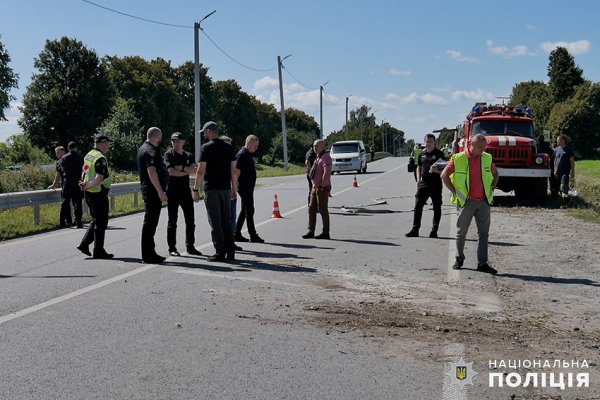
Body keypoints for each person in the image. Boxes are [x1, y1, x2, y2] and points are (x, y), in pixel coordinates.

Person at [441, 134, 499, 275]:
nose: (482, 149)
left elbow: (495, 173)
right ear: (471, 144)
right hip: (466, 202)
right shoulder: (458, 158)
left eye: (484, 147)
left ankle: (482, 263)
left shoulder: (487, 157)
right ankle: (459, 259)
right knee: (461, 233)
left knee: (484, 234)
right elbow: (444, 175)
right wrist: (456, 193)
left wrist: (491, 189)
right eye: (480, 147)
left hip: (483, 202)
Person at [192, 121, 238, 262]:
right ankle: (231, 251)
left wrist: (195, 189)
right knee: (226, 221)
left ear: (209, 131)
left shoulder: (206, 148)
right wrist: (234, 188)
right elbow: (234, 171)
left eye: (204, 132)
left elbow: (200, 171)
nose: (204, 135)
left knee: (215, 222)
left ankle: (220, 252)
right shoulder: (228, 148)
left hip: (212, 189)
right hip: (225, 189)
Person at [164, 132, 202, 257]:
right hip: (173, 192)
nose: (175, 143)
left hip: (185, 191)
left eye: (178, 141)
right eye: (173, 141)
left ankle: (190, 246)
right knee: (172, 221)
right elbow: (171, 172)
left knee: (190, 221)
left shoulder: (188, 155)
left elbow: (195, 170)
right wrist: (186, 169)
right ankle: (172, 248)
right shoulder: (168, 154)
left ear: (183, 142)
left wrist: (181, 168)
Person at [76, 134, 114, 259]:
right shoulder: (100, 158)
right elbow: (99, 178)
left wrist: (84, 184)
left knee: (97, 220)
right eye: (107, 143)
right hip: (98, 193)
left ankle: (85, 244)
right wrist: (88, 185)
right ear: (102, 144)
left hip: (89, 192)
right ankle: (98, 250)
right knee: (102, 222)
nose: (108, 146)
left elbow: (85, 171)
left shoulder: (89, 155)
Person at [138, 127, 169, 264]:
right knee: (150, 223)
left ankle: (151, 252)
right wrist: (160, 191)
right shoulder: (150, 151)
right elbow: (152, 172)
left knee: (151, 223)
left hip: (150, 191)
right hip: (152, 192)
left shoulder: (143, 148)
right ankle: (147, 254)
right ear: (158, 136)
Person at [406, 134, 446, 238]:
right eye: (426, 141)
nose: (428, 144)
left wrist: (436, 170)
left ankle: (434, 230)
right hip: (424, 184)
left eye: (430, 142)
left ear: (434, 142)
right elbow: (418, 167)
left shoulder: (439, 154)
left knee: (437, 207)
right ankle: (415, 229)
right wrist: (418, 180)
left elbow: (445, 170)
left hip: (436, 184)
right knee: (418, 207)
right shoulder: (422, 154)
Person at [234, 134, 264, 243]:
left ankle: (236, 233)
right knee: (250, 210)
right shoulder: (242, 155)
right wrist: (233, 186)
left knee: (245, 210)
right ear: (249, 143)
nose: (256, 148)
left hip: (248, 187)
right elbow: (236, 172)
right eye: (255, 146)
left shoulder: (248, 154)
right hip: (244, 187)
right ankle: (253, 235)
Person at [302, 139, 332, 240]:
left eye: (317, 146)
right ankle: (311, 231)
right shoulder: (318, 157)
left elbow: (327, 173)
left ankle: (325, 232)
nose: (314, 148)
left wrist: (322, 186)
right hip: (314, 187)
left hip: (321, 188)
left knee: (323, 210)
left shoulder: (326, 157)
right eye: (314, 146)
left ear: (323, 146)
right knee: (311, 209)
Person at [60, 141, 85, 228]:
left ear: (68, 148)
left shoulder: (64, 157)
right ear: (76, 148)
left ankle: (63, 222)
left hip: (68, 182)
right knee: (78, 203)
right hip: (78, 182)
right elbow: (84, 170)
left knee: (65, 202)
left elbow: (62, 169)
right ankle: (79, 222)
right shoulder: (81, 158)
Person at [48, 146, 69, 227]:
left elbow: (58, 175)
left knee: (65, 202)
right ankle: (73, 220)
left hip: (66, 184)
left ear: (62, 151)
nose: (56, 154)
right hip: (75, 184)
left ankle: (64, 221)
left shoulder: (60, 161)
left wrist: (53, 185)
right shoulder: (70, 158)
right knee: (72, 203)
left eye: (57, 152)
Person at [554, 134, 575, 207]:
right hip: (557, 172)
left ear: (563, 140)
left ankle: (566, 203)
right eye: (557, 140)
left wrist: (572, 171)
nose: (557, 141)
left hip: (566, 172)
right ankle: (564, 200)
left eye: (558, 140)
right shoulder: (556, 149)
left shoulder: (568, 149)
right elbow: (555, 160)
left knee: (564, 186)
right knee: (558, 187)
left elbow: (572, 161)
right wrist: (554, 170)